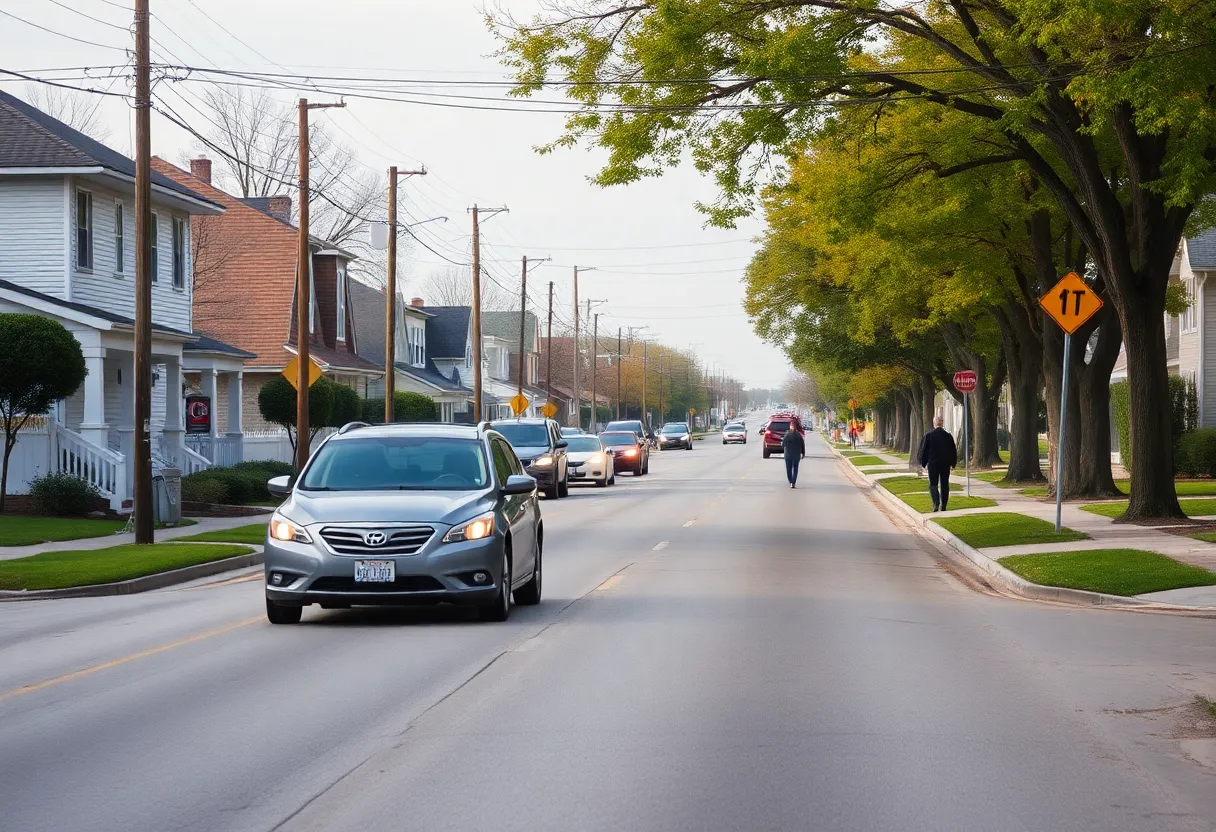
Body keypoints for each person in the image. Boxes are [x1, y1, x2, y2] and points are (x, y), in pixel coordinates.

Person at [918, 414, 958, 511]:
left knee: (933, 484)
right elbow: (953, 451)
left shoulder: (928, 436)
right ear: (942, 423)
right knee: (945, 484)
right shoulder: (948, 436)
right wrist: (953, 463)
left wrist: (923, 463)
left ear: (934, 423)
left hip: (933, 464)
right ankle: (944, 505)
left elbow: (924, 451)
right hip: (945, 464)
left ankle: (936, 504)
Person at [781, 423, 806, 488]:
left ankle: (791, 481)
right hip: (796, 455)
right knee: (795, 468)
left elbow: (783, 444)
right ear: (796, 427)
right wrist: (803, 453)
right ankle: (793, 482)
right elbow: (802, 444)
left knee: (788, 469)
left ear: (790, 427)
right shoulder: (799, 435)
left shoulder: (787, 434)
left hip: (788, 455)